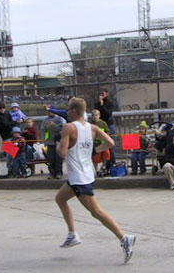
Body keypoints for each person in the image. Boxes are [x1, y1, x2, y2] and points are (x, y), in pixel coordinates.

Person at [55, 97, 136, 263]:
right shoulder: (91, 127)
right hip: (83, 173)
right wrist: (93, 151)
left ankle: (123, 238)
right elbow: (110, 142)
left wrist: (59, 143)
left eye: (69, 110)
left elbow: (62, 153)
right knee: (60, 198)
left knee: (96, 212)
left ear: (74, 111)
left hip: (80, 178)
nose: (67, 112)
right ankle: (72, 234)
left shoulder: (68, 128)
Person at [41, 110, 65, 179]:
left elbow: (61, 129)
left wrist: (52, 125)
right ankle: (52, 173)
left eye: (51, 111)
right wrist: (44, 141)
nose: (50, 113)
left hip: (58, 142)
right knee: (50, 159)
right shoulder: (45, 119)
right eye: (48, 111)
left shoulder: (60, 119)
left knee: (58, 158)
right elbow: (42, 130)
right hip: (49, 142)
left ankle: (59, 173)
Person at [94, 88, 116, 166]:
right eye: (100, 94)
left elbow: (108, 113)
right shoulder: (97, 104)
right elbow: (96, 113)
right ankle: (104, 164)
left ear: (107, 94)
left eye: (103, 93)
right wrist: (99, 104)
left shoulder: (110, 103)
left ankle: (112, 163)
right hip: (100, 125)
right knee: (102, 145)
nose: (101, 95)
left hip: (109, 124)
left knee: (111, 144)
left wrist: (102, 104)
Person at [0, 101, 18, 175]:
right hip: (6, 137)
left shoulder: (7, 114)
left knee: (13, 154)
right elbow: (6, 125)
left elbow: (10, 122)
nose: (2, 109)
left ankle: (13, 170)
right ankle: (9, 170)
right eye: (0, 108)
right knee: (10, 155)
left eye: (3, 108)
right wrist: (16, 122)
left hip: (11, 136)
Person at [90, 109, 110, 176]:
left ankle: (103, 167)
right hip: (95, 144)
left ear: (99, 116)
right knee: (95, 158)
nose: (95, 117)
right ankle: (96, 170)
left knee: (106, 155)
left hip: (103, 143)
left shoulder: (103, 123)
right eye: (93, 115)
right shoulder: (90, 124)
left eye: (96, 115)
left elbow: (107, 132)